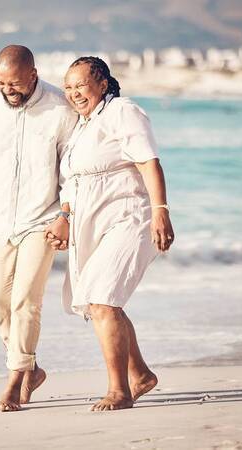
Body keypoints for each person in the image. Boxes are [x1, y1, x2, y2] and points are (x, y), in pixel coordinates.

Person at [46, 56, 174, 411]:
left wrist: (160, 212)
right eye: (68, 87)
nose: (73, 93)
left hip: (128, 217)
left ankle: (120, 391)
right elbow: (74, 181)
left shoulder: (122, 111)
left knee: (103, 299)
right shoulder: (82, 126)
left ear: (103, 84)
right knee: (101, 301)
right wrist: (64, 217)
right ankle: (141, 374)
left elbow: (149, 162)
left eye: (81, 85)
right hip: (91, 222)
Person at [0, 45, 77, 412]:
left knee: (26, 301)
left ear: (33, 74)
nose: (7, 90)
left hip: (44, 218)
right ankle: (31, 367)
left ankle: (16, 377)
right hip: (1, 217)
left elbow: (70, 171)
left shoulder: (61, 109)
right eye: (1, 82)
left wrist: (66, 215)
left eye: (14, 83)